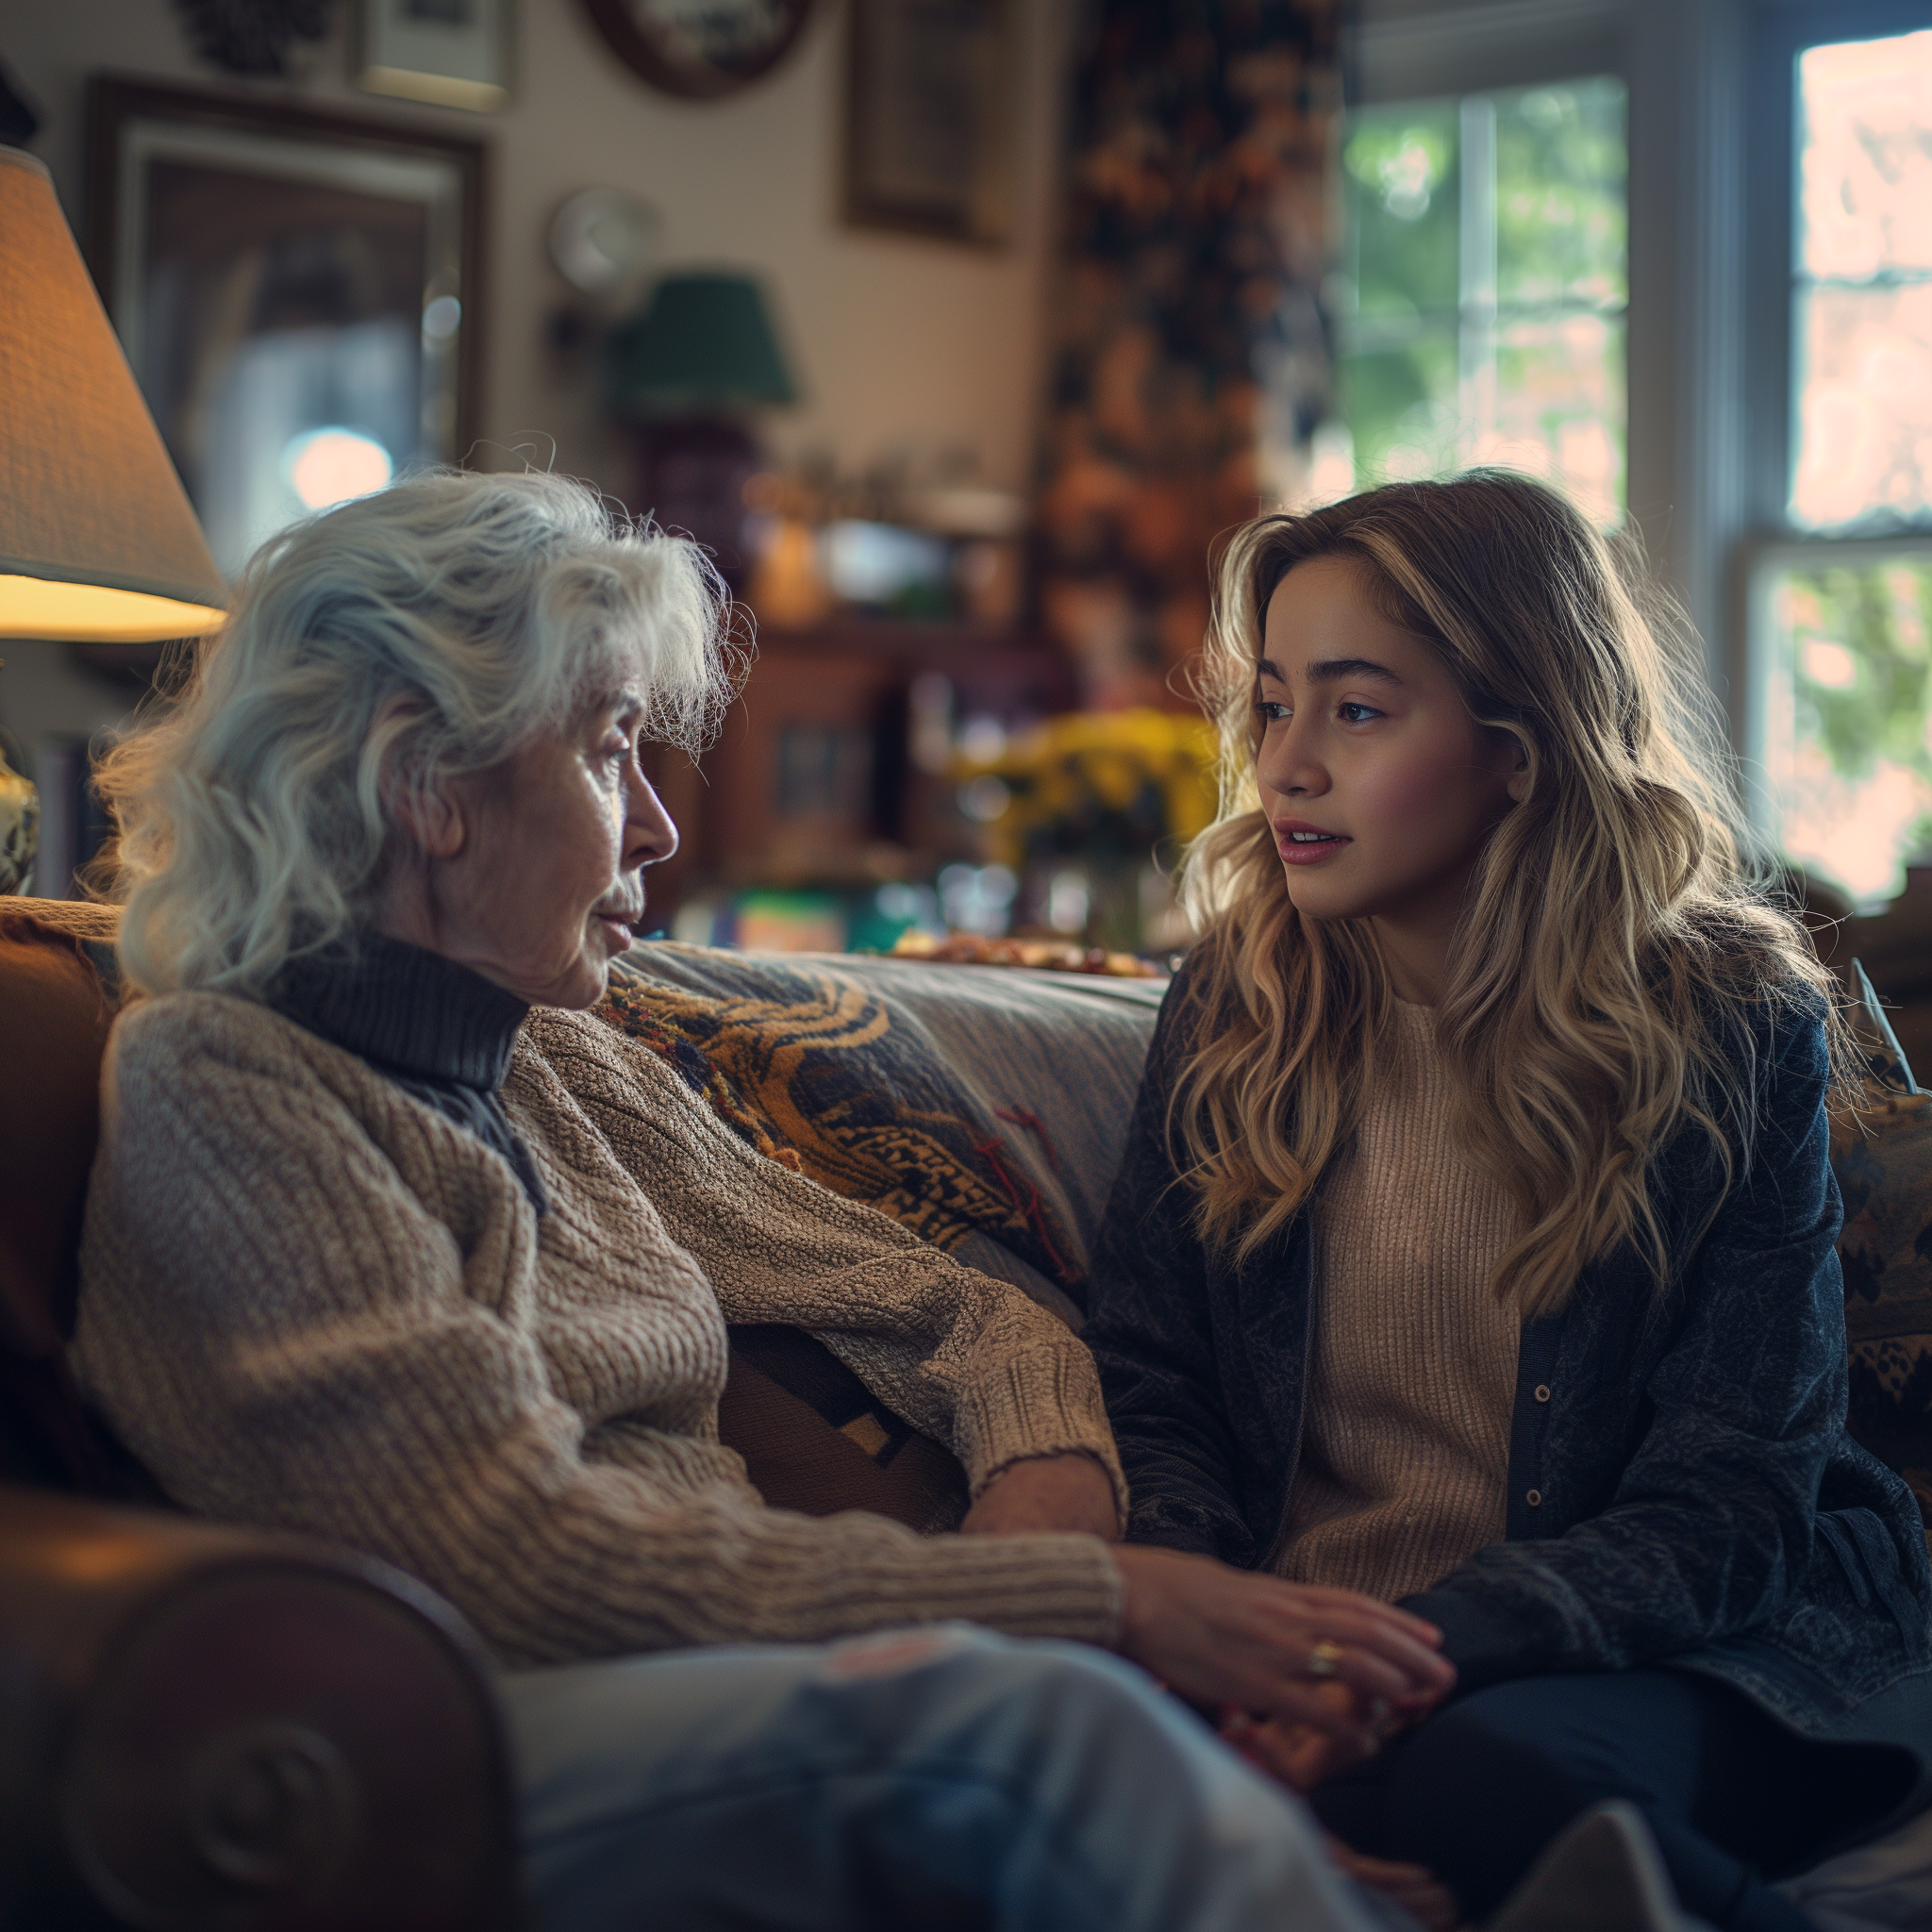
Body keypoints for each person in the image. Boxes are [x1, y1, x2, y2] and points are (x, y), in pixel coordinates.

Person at [71, 468, 1474, 1929]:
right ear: (428, 785)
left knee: (1111, 1757)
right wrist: (1095, 1609)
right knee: (1031, 1741)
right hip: (458, 1734)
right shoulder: (229, 1081)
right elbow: (518, 1566)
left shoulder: (554, 1063)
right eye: (613, 752)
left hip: (715, 1690)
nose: (659, 829)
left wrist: (1035, 1532)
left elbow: (959, 1313)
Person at [1082, 470, 1932, 1932]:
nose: (1285, 767)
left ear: (1520, 751)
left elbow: (1730, 1501)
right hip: (1321, 1653)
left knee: (1481, 1777)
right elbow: (1153, 1386)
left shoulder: (1727, 1022)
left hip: (1689, 1647)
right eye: (1272, 705)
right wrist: (1225, 1648)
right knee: (1078, 1765)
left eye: (1356, 711)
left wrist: (1404, 1656)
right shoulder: (1232, 1003)